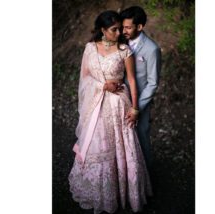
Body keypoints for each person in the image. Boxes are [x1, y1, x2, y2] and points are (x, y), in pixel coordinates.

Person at [68, 10, 152, 214]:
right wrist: (103, 86)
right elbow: (85, 78)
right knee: (97, 145)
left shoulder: (125, 50)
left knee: (122, 147)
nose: (119, 32)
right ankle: (98, 191)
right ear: (103, 30)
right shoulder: (90, 48)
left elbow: (131, 80)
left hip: (117, 105)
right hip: (96, 103)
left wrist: (134, 107)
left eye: (120, 28)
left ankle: (123, 191)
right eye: (114, 29)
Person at [120, 6, 162, 169]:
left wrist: (137, 107)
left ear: (140, 26)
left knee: (141, 138)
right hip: (118, 99)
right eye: (123, 27)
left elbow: (153, 83)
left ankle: (148, 182)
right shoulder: (121, 40)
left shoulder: (152, 49)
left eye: (128, 27)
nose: (124, 31)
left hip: (139, 104)